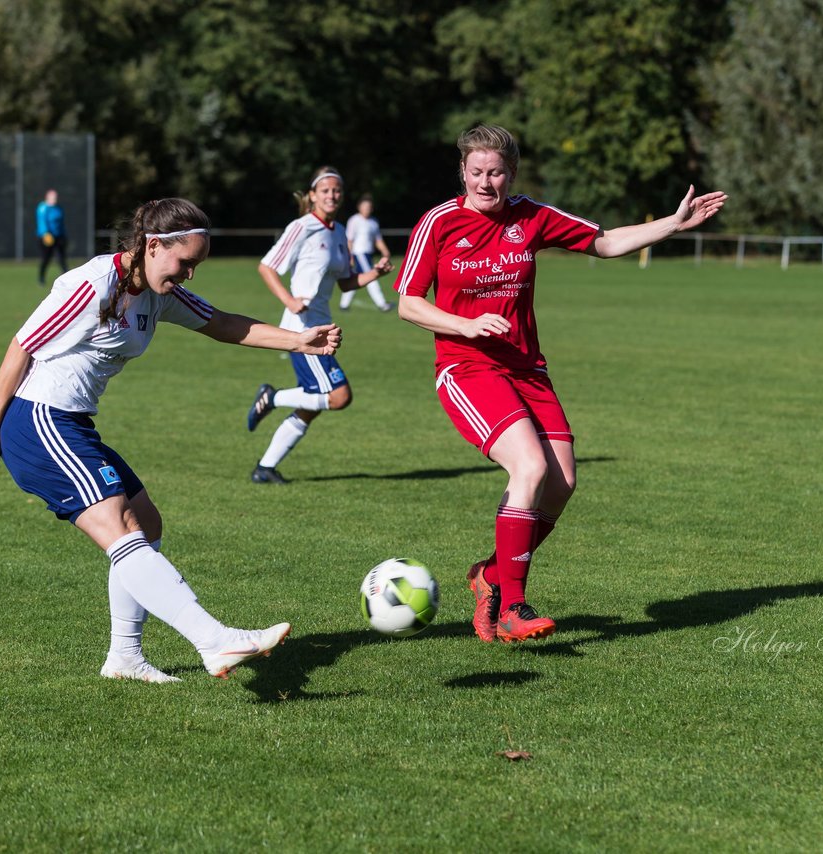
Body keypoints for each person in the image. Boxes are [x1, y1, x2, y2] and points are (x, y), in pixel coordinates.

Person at [0, 198, 342, 683]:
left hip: (73, 424)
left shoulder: (158, 291)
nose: (190, 274)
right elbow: (22, 346)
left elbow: (221, 323)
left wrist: (300, 340)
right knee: (121, 527)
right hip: (39, 422)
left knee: (146, 522)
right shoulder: (90, 283)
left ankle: (124, 658)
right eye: (185, 261)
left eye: (197, 264)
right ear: (152, 246)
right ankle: (214, 640)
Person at [395, 124, 727, 643]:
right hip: (467, 367)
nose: (487, 183)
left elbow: (605, 241)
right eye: (477, 172)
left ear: (513, 173)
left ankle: (490, 576)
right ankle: (513, 607)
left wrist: (672, 225)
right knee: (528, 466)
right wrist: (465, 325)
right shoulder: (438, 223)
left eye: (497, 172)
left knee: (562, 481)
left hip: (527, 369)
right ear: (462, 171)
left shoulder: (530, 216)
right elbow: (408, 302)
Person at [245, 167, 393, 484]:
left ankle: (265, 468)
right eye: (325, 190)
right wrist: (289, 300)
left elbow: (346, 283)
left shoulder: (339, 231)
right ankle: (272, 398)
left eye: (336, 190)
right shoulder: (301, 227)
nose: (331, 195)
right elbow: (266, 266)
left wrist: (377, 273)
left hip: (324, 332)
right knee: (339, 396)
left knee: (313, 404)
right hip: (301, 331)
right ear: (313, 195)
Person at [339, 194, 394, 312]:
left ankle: (344, 305)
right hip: (359, 254)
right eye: (364, 207)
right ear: (359, 207)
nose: (367, 209)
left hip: (368, 255)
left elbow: (378, 240)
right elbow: (349, 240)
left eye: (369, 207)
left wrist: (385, 250)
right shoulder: (354, 220)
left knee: (356, 278)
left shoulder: (373, 222)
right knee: (373, 277)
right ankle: (382, 304)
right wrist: (350, 256)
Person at [36, 189, 68, 285]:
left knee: (62, 259)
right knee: (46, 258)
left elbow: (61, 224)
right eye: (53, 197)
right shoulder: (43, 208)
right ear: (47, 197)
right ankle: (41, 278)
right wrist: (46, 233)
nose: (55, 199)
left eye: (56, 197)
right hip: (47, 237)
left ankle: (67, 279)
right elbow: (42, 222)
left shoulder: (58, 208)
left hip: (59, 237)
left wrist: (64, 235)